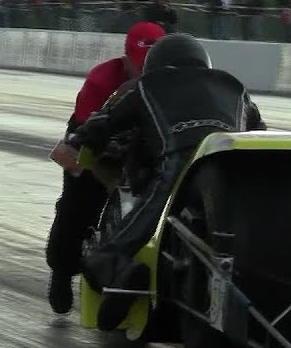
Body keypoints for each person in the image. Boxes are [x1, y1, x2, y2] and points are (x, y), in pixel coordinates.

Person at [57, 33, 266, 330]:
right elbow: (259, 129)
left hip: (176, 167)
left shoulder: (146, 86)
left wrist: (78, 138)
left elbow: (104, 121)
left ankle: (122, 275)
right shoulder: (234, 86)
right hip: (233, 169)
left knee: (101, 256)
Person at [45, 20, 167, 314]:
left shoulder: (171, 82)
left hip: (144, 138)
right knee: (79, 204)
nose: (144, 70)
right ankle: (63, 269)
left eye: (152, 64)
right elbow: (86, 133)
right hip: (95, 134)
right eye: (140, 64)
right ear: (125, 58)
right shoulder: (101, 80)